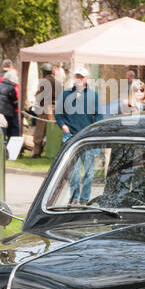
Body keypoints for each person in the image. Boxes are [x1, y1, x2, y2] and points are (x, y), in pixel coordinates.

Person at [59, 67, 103, 202]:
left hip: (87, 137)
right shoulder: (65, 94)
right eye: (77, 76)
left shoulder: (93, 95)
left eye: (81, 77)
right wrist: (63, 126)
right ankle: (74, 197)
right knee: (74, 172)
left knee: (89, 172)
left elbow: (99, 115)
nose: (79, 79)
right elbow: (58, 114)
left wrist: (94, 130)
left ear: (86, 79)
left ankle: (84, 198)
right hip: (71, 136)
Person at [27, 63, 60, 157]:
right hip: (54, 109)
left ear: (44, 71)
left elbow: (40, 95)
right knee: (52, 131)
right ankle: (52, 150)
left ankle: (37, 152)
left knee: (39, 132)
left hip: (45, 108)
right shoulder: (56, 81)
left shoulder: (44, 81)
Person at [0, 59, 21, 141]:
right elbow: (14, 101)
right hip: (9, 111)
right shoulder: (12, 87)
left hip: (0, 110)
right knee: (13, 128)